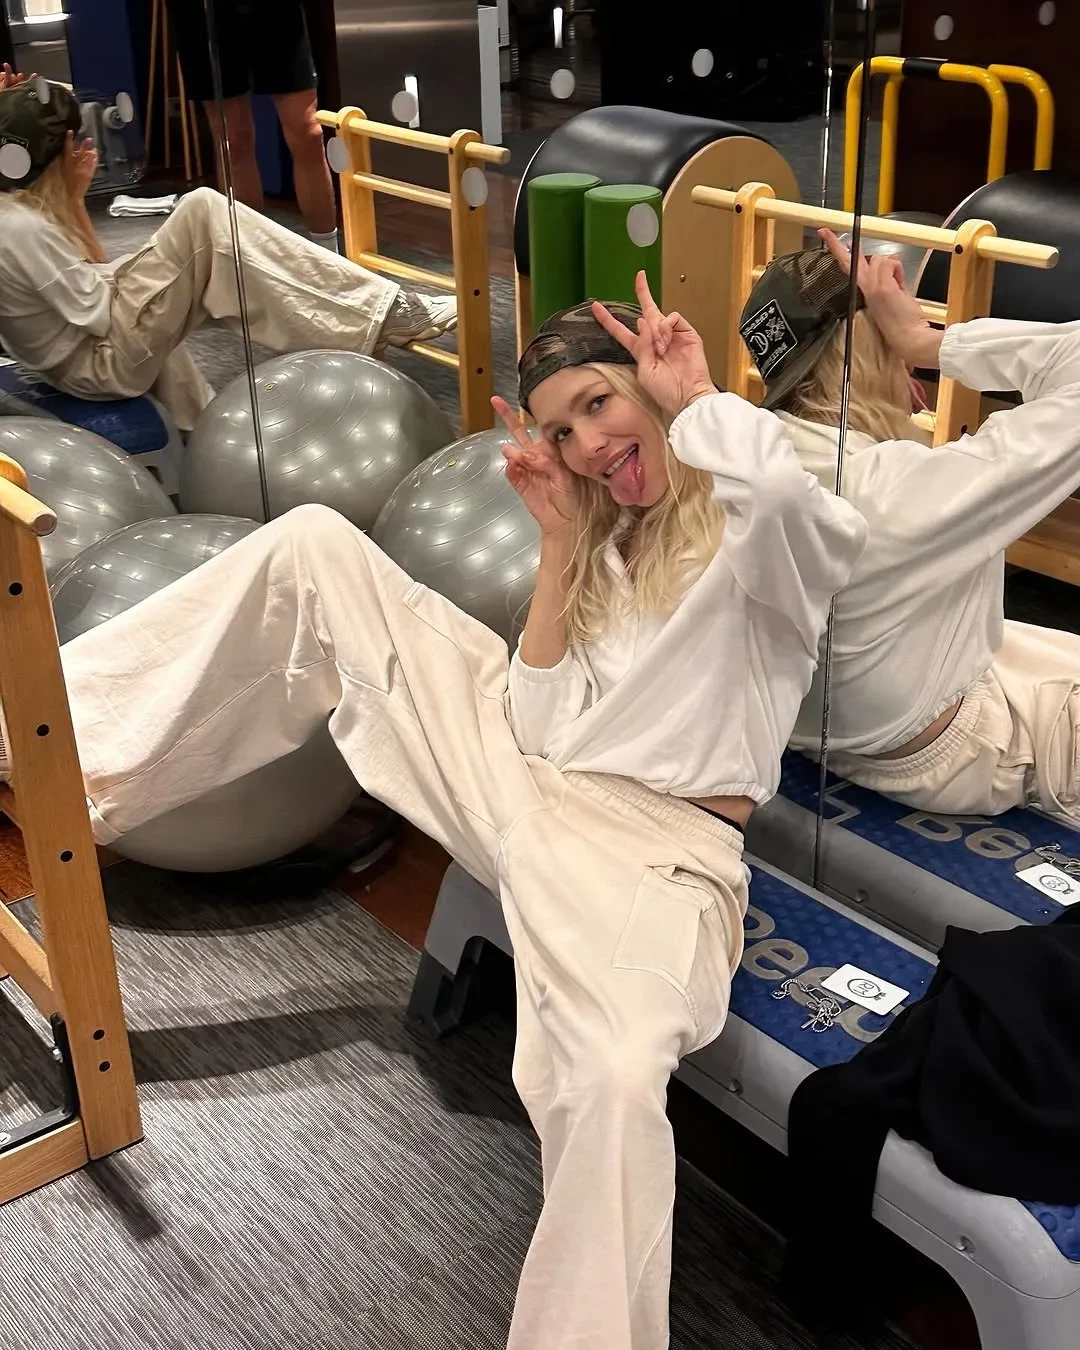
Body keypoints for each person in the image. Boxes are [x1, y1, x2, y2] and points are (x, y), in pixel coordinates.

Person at [36, 275, 866, 1347]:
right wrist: (561, 546)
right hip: (528, 778)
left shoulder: (759, 550)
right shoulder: (613, 545)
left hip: (655, 853)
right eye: (561, 430)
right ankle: (44, 746)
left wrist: (698, 397)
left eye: (599, 404)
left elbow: (796, 510)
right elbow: (540, 719)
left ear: (651, 390)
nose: (587, 445)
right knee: (316, 547)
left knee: (614, 1083)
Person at [741, 228, 1080, 822]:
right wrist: (930, 342)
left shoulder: (751, 451)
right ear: (874, 351)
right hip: (951, 751)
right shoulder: (896, 488)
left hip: (825, 729)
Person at [0, 78, 456, 430]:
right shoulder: (22, 228)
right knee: (203, 215)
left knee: (209, 250)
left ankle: (202, 431)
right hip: (100, 365)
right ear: (64, 148)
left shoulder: (16, 216)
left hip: (83, 357)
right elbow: (99, 310)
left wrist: (81, 207)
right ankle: (384, 311)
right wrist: (160, 265)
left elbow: (87, 290)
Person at [165, 0, 340, 250]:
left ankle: (329, 257)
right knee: (233, 142)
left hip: (274, 9)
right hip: (203, 11)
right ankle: (252, 258)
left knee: (308, 134)